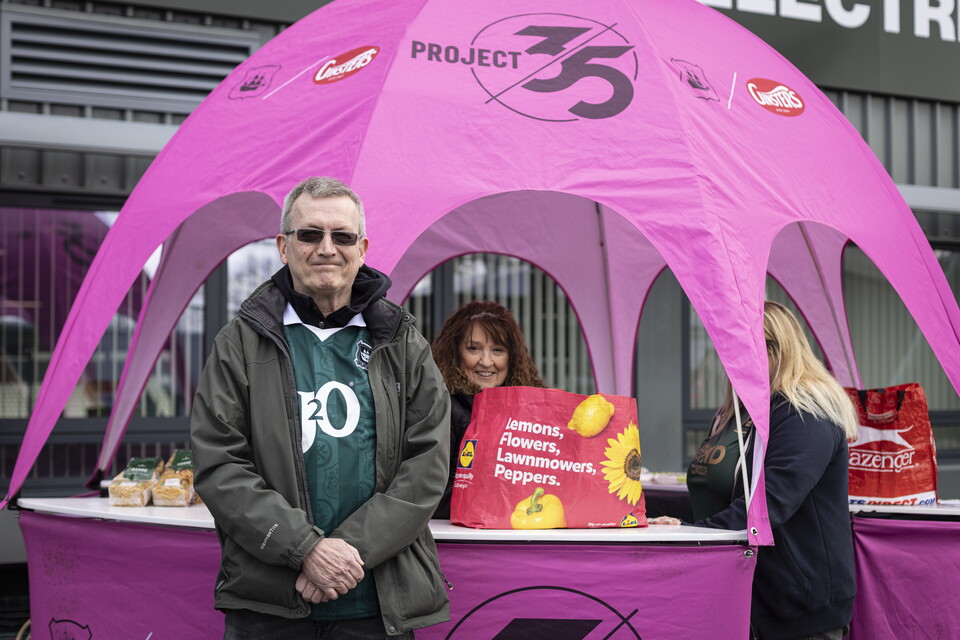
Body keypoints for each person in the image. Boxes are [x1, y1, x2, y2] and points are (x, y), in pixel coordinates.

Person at [191, 176, 451, 639]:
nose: (327, 248)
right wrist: (304, 549)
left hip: (377, 604)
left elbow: (427, 466)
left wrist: (345, 553)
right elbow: (219, 463)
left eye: (342, 236)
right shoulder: (239, 343)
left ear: (362, 249)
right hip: (269, 604)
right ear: (283, 247)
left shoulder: (403, 343)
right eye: (310, 234)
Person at [673, 301, 858, 640]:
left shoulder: (805, 413)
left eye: (740, 348)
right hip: (739, 593)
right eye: (726, 349)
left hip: (795, 607)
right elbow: (714, 493)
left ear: (775, 348)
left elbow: (770, 504)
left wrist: (686, 534)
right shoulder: (736, 411)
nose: (728, 360)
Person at [429, 300, 545, 518]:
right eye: (473, 348)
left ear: (512, 357)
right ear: (454, 353)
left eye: (497, 350)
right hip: (456, 535)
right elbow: (433, 495)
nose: (486, 361)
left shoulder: (528, 409)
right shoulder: (441, 408)